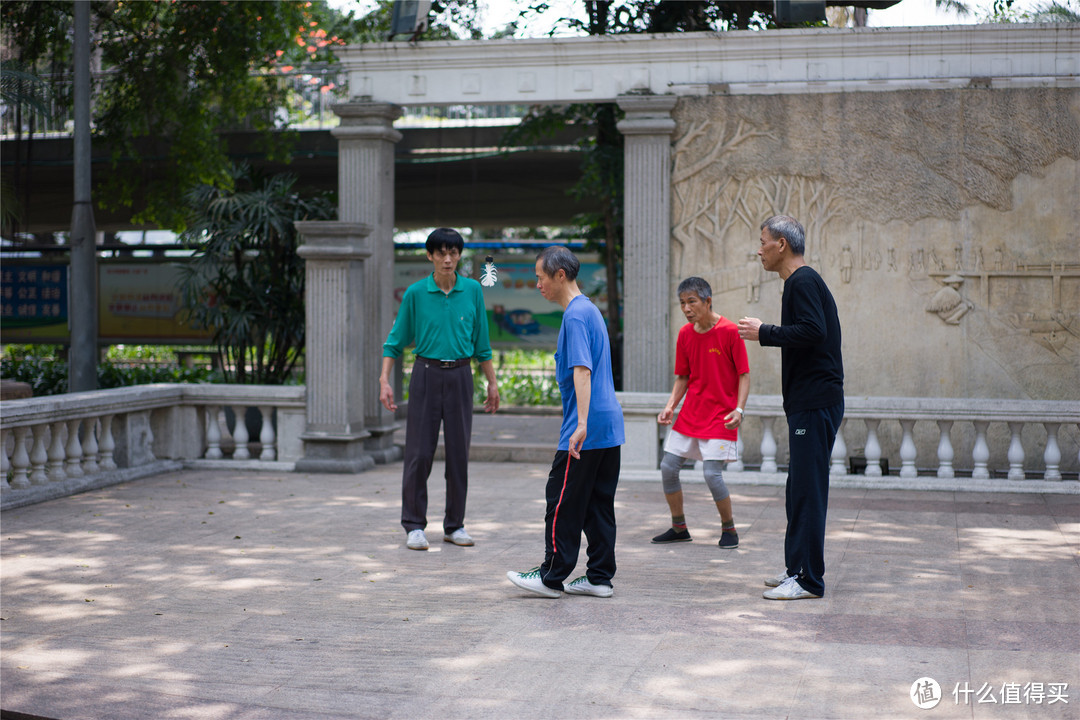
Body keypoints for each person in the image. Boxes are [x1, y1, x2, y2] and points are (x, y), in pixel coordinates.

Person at [506, 246, 624, 599]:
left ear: (560, 275)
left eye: (541, 277)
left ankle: (550, 576)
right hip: (610, 423)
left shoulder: (574, 315)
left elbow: (582, 371)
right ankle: (599, 577)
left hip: (586, 427)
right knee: (597, 503)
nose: (537, 284)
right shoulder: (590, 309)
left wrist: (580, 424)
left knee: (561, 501)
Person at [737, 215, 844, 601]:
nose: (759, 248)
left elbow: (815, 331)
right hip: (808, 403)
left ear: (781, 244)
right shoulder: (798, 283)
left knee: (809, 491)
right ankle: (796, 567)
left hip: (816, 403)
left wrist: (764, 331)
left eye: (762, 240)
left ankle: (809, 580)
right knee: (797, 488)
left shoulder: (802, 281)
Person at [380, 228, 499, 551]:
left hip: (461, 376)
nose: (448, 259)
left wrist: (491, 381)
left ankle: (454, 525)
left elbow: (482, 344)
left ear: (460, 255)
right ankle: (414, 525)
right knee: (418, 453)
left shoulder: (473, 290)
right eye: (441, 253)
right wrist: (384, 381)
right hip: (426, 374)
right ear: (430, 256)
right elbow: (395, 342)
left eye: (453, 253)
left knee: (459, 454)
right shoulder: (416, 293)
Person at [653, 276, 750, 550]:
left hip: (721, 416)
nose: (686, 308)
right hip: (691, 413)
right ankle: (679, 527)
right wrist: (670, 406)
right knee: (668, 467)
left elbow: (744, 375)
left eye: (691, 302)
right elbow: (683, 377)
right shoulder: (685, 335)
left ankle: (729, 529)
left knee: (711, 474)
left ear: (708, 301)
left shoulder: (730, 331)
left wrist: (739, 409)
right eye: (682, 303)